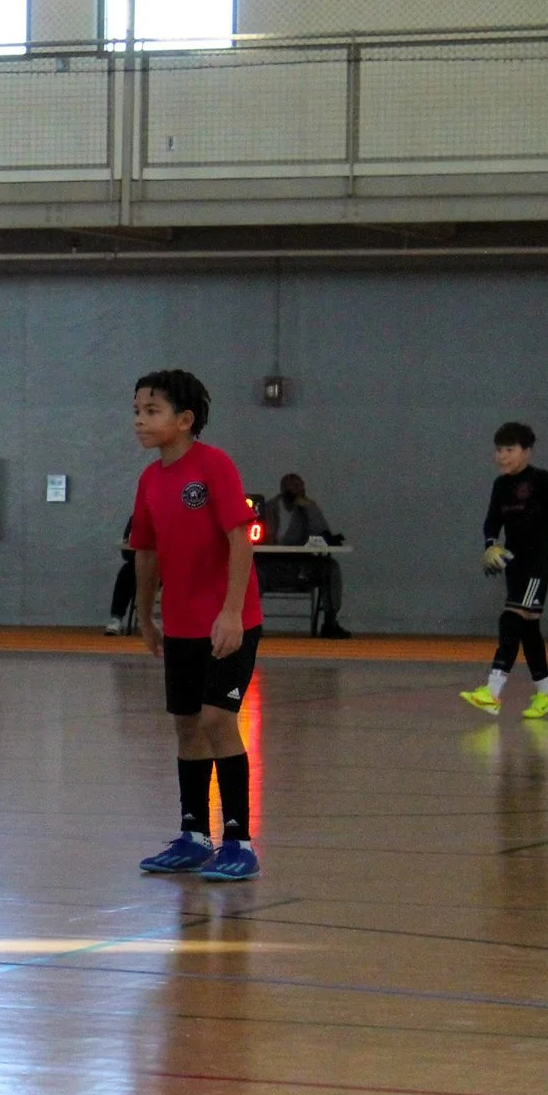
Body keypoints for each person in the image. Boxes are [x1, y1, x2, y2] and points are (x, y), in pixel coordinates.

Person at [130, 369, 263, 883]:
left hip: (229, 622)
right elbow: (145, 551)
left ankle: (239, 840)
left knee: (216, 720)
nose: (140, 421)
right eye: (137, 411)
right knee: (186, 724)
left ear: (184, 420)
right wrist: (145, 615)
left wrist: (231, 611)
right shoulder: (149, 480)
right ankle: (193, 835)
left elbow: (240, 539)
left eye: (152, 411)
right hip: (181, 625)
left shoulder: (214, 466)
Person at [461, 422, 548, 719]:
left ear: (527, 451)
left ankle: (492, 690)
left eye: (510, 450)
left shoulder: (542, 481)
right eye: (499, 450)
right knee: (528, 628)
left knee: (510, 619)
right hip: (515, 564)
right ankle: (546, 694)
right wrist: (491, 545)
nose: (502, 456)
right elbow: (491, 522)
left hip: (537, 563)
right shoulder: (500, 486)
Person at [257, 472, 350, 638]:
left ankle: (330, 621)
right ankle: (253, 623)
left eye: (301, 486)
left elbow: (321, 534)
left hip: (302, 567)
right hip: (272, 566)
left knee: (331, 568)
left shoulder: (308, 508)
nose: (298, 490)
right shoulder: (269, 508)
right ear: (283, 488)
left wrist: (309, 508)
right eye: (294, 486)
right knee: (251, 571)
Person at [106, 517, 135, 634]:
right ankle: (116, 619)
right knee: (126, 572)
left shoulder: (174, 516)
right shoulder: (136, 519)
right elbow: (126, 553)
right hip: (143, 564)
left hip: (168, 565)